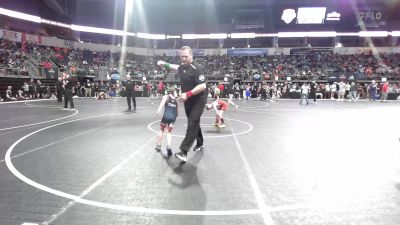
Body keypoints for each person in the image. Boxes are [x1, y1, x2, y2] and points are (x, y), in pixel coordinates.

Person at [157, 46, 207, 162]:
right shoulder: (183, 67)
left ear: (191, 56)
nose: (183, 58)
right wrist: (165, 63)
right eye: (182, 56)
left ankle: (183, 152)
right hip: (188, 99)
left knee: (192, 122)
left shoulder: (197, 68)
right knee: (194, 122)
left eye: (186, 56)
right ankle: (200, 143)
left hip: (199, 99)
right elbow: (177, 68)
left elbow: (202, 86)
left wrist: (188, 94)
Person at [155, 87, 178, 158]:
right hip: (173, 117)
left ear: (167, 92)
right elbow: (177, 113)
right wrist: (173, 119)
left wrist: (158, 111)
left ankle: (158, 145)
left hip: (166, 116)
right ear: (173, 92)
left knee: (161, 130)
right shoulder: (175, 100)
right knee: (169, 132)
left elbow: (162, 103)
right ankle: (169, 146)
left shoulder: (166, 96)